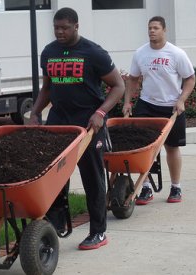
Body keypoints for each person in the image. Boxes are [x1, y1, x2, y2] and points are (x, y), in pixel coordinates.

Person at [28, 7, 124, 250]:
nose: (59, 32)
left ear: (76, 26)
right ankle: (57, 223)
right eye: (56, 28)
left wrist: (101, 112)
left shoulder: (93, 52)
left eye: (64, 28)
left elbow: (118, 86)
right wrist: (36, 112)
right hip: (59, 121)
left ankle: (98, 232)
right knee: (55, 176)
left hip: (89, 122)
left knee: (92, 177)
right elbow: (47, 88)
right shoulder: (49, 52)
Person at [123, 16, 196, 205]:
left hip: (172, 107)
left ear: (164, 30)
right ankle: (146, 187)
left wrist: (181, 100)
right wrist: (127, 103)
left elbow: (190, 79)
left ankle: (176, 187)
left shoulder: (176, 53)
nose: (152, 31)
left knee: (172, 147)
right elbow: (132, 79)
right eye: (149, 28)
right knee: (142, 148)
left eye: (155, 28)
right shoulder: (140, 53)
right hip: (147, 105)